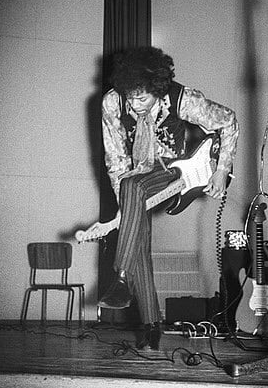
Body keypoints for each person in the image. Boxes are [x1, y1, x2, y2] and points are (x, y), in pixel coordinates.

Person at [98, 46, 239, 349]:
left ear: (157, 89)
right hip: (134, 179)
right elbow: (116, 160)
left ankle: (119, 277)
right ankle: (152, 326)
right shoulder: (112, 102)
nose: (135, 105)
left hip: (172, 170)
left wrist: (220, 171)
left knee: (134, 188)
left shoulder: (181, 98)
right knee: (137, 238)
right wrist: (127, 210)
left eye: (143, 98)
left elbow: (228, 120)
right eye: (130, 97)